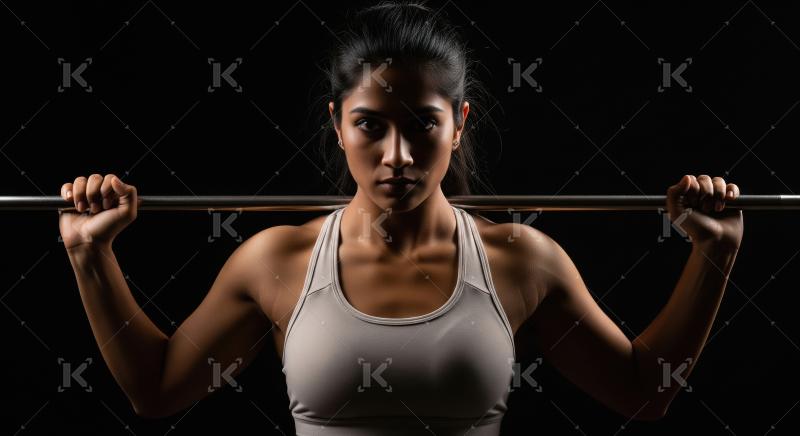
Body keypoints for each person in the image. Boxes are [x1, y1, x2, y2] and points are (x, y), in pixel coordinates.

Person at [58, 2, 744, 435]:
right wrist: (91, 255)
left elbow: (643, 392)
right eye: (370, 125)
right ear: (337, 125)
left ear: (459, 125)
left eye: (422, 125)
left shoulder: (521, 260)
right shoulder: (276, 262)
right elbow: (156, 390)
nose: (397, 156)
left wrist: (714, 255)